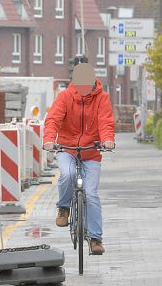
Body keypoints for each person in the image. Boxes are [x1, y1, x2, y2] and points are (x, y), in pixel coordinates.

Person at [44, 62, 116, 255]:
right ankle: (64, 208)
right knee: (66, 175)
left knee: (91, 194)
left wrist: (107, 140)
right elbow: (53, 119)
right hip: (67, 148)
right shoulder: (65, 97)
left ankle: (95, 239)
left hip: (91, 151)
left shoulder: (102, 98)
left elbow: (105, 122)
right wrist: (50, 140)